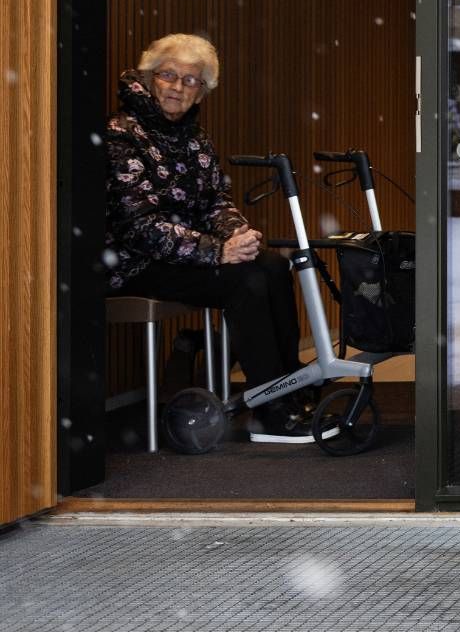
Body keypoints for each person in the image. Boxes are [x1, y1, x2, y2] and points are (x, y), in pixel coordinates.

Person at [104, 33, 317, 444]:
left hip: (184, 258)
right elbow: (137, 226)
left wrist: (237, 232)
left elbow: (214, 200)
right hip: (133, 263)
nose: (177, 87)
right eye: (168, 75)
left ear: (202, 92)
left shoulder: (195, 136)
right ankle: (268, 411)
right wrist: (218, 251)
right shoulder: (121, 134)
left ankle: (288, 387)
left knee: (272, 264)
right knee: (246, 281)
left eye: (190, 81)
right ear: (149, 78)